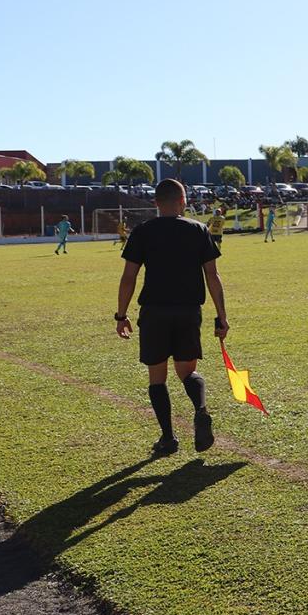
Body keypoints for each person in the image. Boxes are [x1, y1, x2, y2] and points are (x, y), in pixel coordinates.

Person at [115, 179, 227, 456]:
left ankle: (168, 438)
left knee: (157, 378)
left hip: (154, 313)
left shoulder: (143, 232)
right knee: (188, 372)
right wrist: (222, 317)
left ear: (155, 203)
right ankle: (200, 411)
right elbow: (212, 275)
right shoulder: (199, 230)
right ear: (183, 201)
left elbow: (129, 276)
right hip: (189, 312)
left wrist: (121, 315)